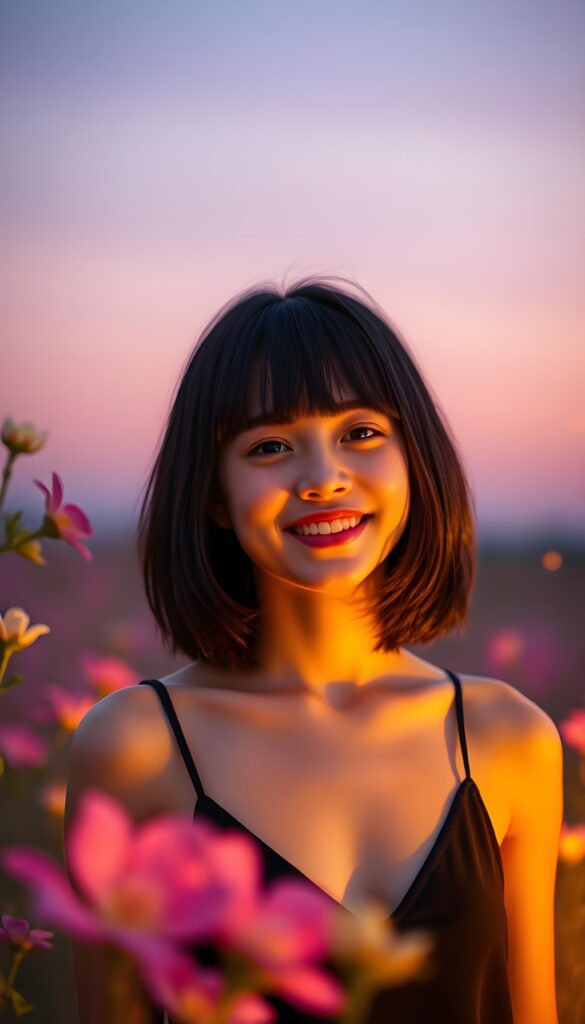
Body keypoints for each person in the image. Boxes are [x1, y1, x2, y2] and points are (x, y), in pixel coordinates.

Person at [65, 275, 563, 1023]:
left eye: (360, 433)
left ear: (413, 457)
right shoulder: (134, 748)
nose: (324, 479)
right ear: (214, 494)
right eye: (270, 446)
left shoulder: (508, 739)